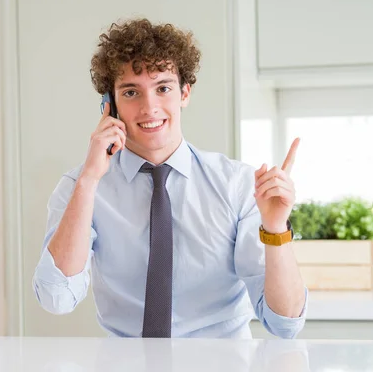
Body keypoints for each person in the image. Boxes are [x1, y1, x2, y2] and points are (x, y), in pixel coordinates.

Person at [32, 18, 307, 339]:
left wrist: (275, 229)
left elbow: (285, 324)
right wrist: (89, 180)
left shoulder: (237, 184)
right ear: (110, 106)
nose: (150, 107)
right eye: (131, 91)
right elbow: (57, 298)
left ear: (184, 93)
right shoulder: (80, 187)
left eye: (162, 88)